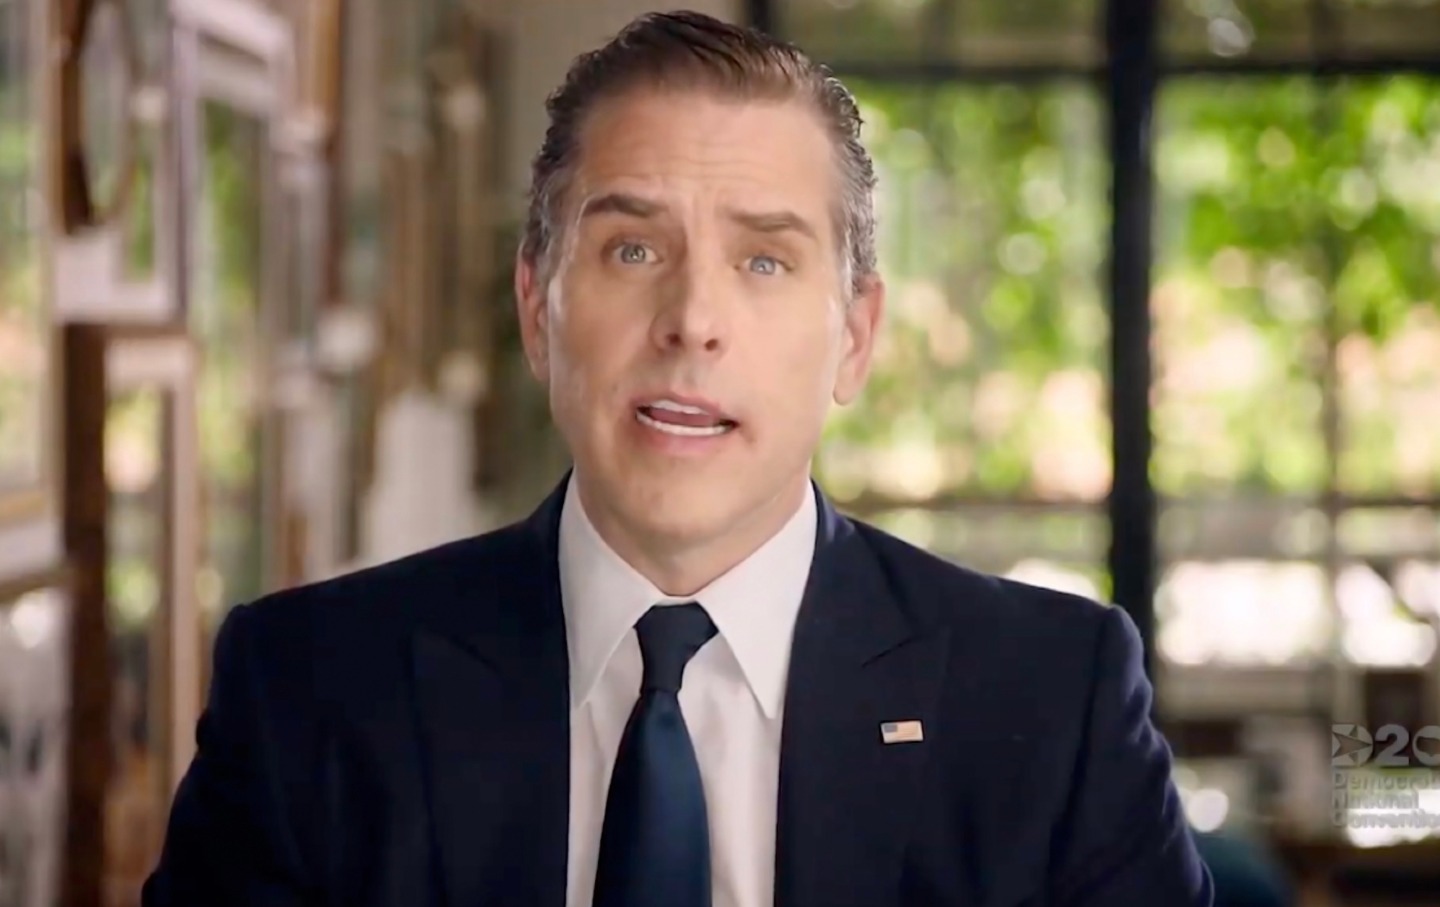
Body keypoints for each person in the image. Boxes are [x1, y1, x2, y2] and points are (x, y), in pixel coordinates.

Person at [142, 11, 1214, 907]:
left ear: (854, 336)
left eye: (763, 258)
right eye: (634, 249)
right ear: (538, 308)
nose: (693, 319)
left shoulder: (1050, 699)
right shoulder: (308, 692)